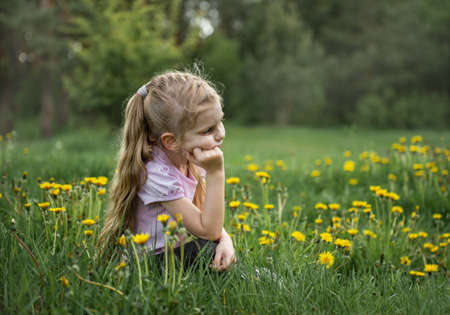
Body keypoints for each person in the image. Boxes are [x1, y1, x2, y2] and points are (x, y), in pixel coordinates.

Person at [98, 70, 236, 271]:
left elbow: (207, 221)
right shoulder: (155, 174)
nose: (221, 134)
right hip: (148, 266)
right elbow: (207, 230)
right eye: (208, 130)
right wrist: (216, 174)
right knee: (205, 251)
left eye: (220, 122)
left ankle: (259, 278)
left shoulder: (190, 157)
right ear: (171, 141)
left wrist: (225, 238)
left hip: (177, 252)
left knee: (215, 251)